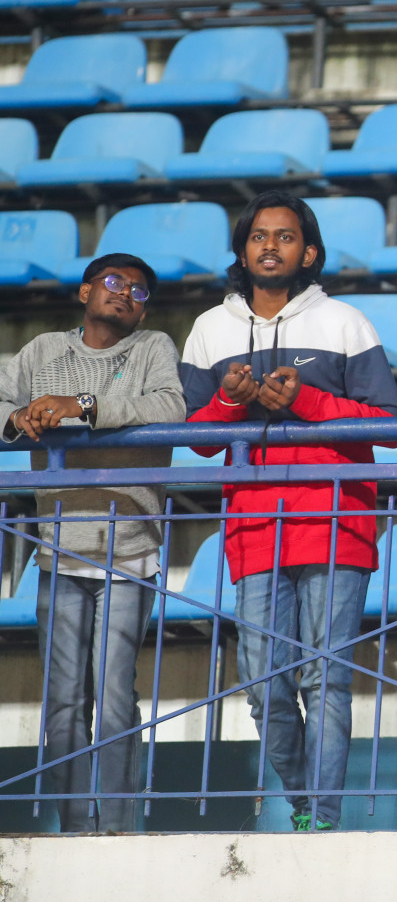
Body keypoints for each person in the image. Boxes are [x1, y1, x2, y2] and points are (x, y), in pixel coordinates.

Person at [180, 192, 397, 831]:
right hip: (253, 527)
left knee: (324, 680)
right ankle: (303, 802)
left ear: (308, 252)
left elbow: (389, 426)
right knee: (263, 685)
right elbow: (196, 434)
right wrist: (227, 404)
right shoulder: (210, 329)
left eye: (284, 236)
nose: (269, 246)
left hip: (337, 524)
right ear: (243, 250)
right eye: (258, 236)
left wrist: (308, 403)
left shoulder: (345, 322)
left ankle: (322, 818)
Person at [0, 253, 184, 833]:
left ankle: (119, 828)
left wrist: (82, 406)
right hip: (58, 549)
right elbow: (2, 406)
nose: (125, 293)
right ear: (84, 292)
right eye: (113, 282)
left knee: (113, 694)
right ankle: (77, 828)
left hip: (129, 548)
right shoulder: (42, 352)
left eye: (138, 289)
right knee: (62, 701)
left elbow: (170, 407)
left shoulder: (154, 347)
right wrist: (20, 420)